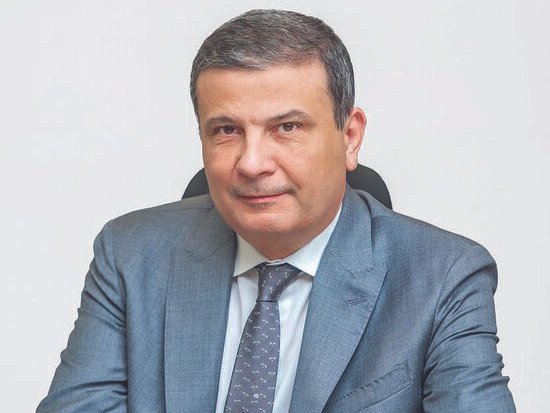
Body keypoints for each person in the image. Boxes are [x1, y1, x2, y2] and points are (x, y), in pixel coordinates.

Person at [37, 9, 515, 413]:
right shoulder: (132, 255)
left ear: (350, 137)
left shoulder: (443, 276)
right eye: (226, 130)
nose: (251, 163)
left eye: (286, 127)